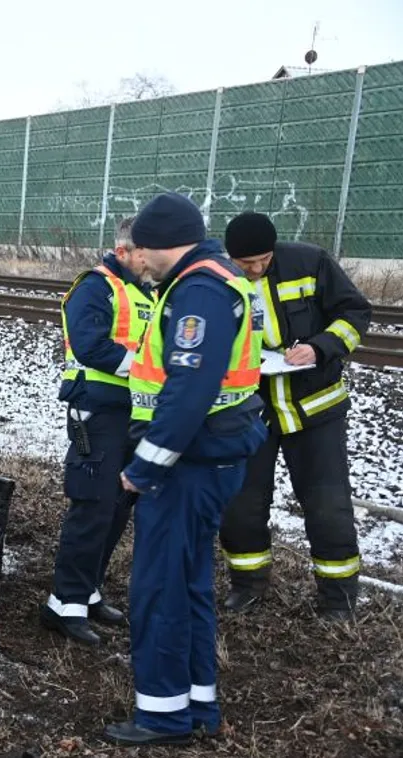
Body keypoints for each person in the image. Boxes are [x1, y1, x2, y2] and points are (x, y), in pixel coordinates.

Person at [104, 193, 267, 747]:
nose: (136, 259)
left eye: (140, 248)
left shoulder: (199, 290)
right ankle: (198, 703)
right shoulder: (211, 280)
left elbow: (190, 388)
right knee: (191, 581)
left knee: (159, 587)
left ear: (160, 243)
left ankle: (163, 715)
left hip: (188, 464)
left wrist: (145, 466)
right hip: (208, 456)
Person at [218, 212, 372, 620]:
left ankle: (338, 599)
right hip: (253, 411)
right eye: (245, 263)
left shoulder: (311, 262)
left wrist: (320, 347)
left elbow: (355, 314)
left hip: (316, 409)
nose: (254, 269)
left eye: (262, 260)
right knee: (242, 503)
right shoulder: (219, 279)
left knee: (327, 504)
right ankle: (248, 584)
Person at [40, 216, 155, 646]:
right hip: (98, 412)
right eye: (146, 255)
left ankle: (87, 592)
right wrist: (148, 367)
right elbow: (91, 345)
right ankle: (62, 605)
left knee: (117, 507)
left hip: (132, 412)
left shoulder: (146, 291)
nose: (152, 263)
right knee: (92, 507)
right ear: (123, 251)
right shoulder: (95, 286)